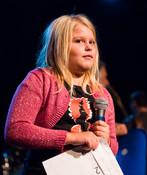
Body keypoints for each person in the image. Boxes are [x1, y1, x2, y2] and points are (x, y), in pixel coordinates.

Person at [4, 14, 118, 175]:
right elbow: (15, 130)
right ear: (58, 46)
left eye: (92, 42)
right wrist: (72, 138)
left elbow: (112, 148)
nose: (89, 47)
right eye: (79, 41)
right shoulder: (40, 80)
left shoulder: (102, 94)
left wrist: (105, 140)